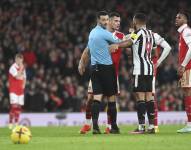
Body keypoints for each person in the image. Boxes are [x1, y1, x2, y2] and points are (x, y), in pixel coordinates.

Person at [109, 13, 163, 134]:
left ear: (136, 22)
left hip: (139, 69)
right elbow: (154, 53)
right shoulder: (151, 34)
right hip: (150, 69)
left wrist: (116, 45)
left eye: (133, 21)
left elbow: (128, 43)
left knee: (140, 98)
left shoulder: (137, 33)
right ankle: (152, 127)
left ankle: (141, 127)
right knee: (149, 98)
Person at [78, 12, 125, 134]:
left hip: (94, 68)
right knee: (111, 97)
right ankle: (113, 126)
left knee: (96, 97)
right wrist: (135, 36)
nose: (105, 22)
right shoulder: (106, 33)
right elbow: (119, 42)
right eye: (103, 20)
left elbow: (88, 50)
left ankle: (95, 127)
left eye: (106, 20)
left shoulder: (92, 32)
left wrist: (82, 63)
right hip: (107, 68)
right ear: (98, 20)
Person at [152, 32, 172, 132]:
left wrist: (158, 62)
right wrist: (158, 62)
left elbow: (168, 48)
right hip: (147, 68)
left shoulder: (135, 34)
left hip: (145, 69)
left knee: (145, 96)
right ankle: (152, 126)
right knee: (147, 96)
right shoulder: (153, 35)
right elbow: (168, 47)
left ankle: (152, 126)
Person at [175, 11, 191, 133]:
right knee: (187, 92)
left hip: (188, 67)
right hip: (187, 67)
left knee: (188, 92)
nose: (176, 19)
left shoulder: (187, 31)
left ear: (185, 20)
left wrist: (183, 65)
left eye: (179, 17)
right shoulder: (182, 33)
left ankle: (190, 124)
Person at [8, 53, 26, 129]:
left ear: (22, 60)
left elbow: (24, 77)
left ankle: (16, 123)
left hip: (20, 89)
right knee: (14, 106)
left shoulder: (23, 68)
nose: (19, 60)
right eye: (17, 59)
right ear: (15, 59)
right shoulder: (12, 67)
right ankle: (10, 122)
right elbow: (17, 77)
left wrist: (23, 86)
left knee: (19, 107)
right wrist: (21, 69)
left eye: (20, 59)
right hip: (13, 89)